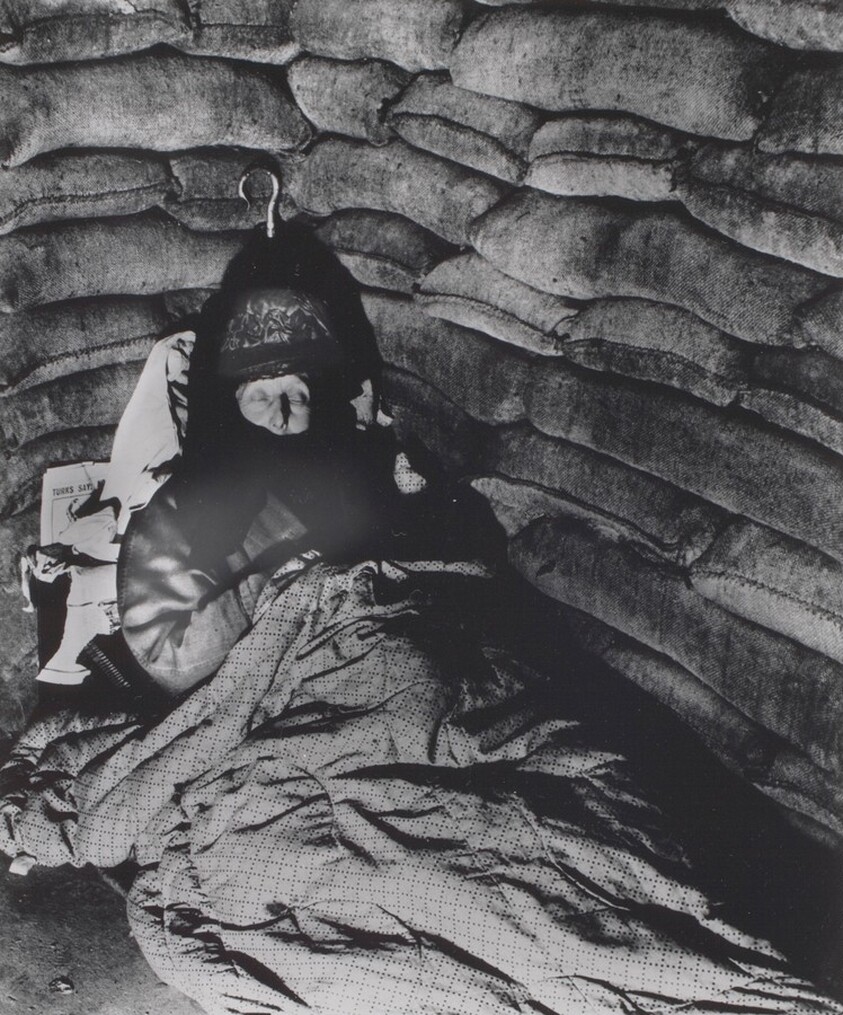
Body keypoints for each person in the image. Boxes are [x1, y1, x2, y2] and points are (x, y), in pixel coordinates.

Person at [117, 282, 503, 696]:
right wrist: (298, 578)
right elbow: (170, 662)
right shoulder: (179, 512)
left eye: (296, 395)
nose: (281, 416)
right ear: (228, 406)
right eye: (259, 395)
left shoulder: (351, 469)